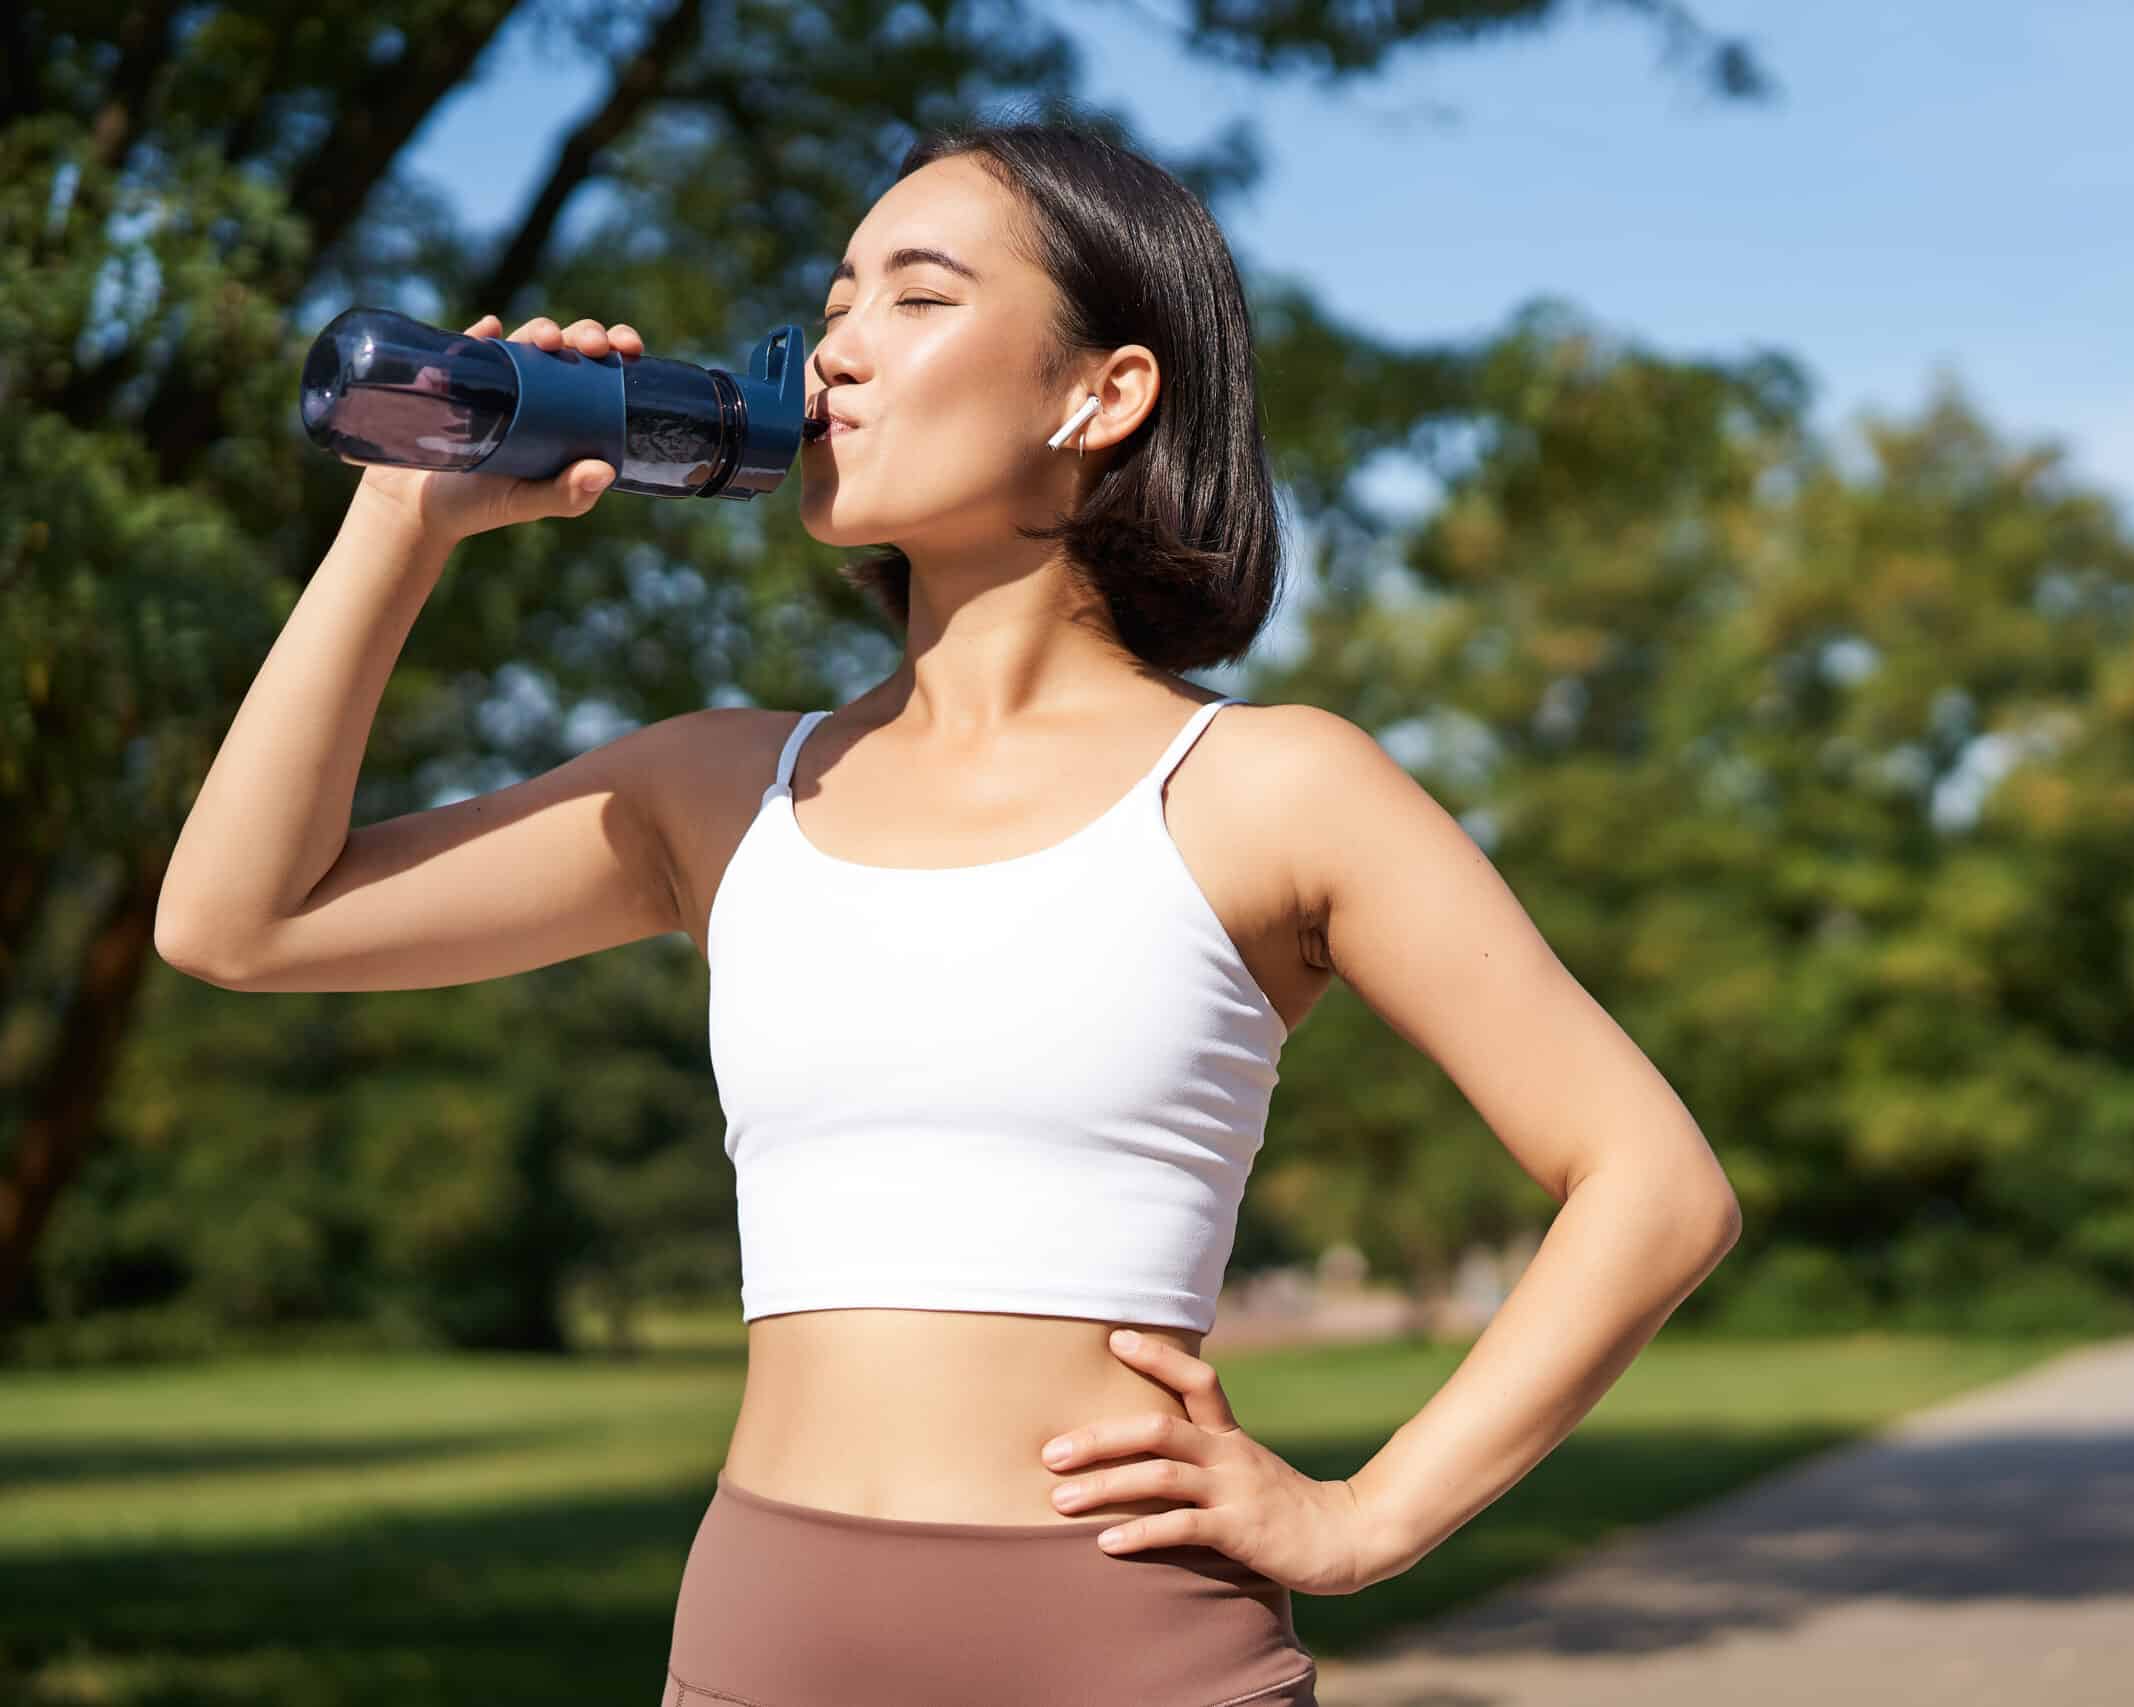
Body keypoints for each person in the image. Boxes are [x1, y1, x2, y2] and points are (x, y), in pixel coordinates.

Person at [155, 109, 1740, 1706]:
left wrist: (1365, 1517)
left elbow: (1653, 1185)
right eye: (836, 299)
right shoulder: (719, 793)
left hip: (1129, 1658)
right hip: (759, 1648)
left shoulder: (1269, 788)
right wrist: (400, 524)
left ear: (1099, 394)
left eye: (918, 296)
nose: (837, 349)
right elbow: (241, 923)